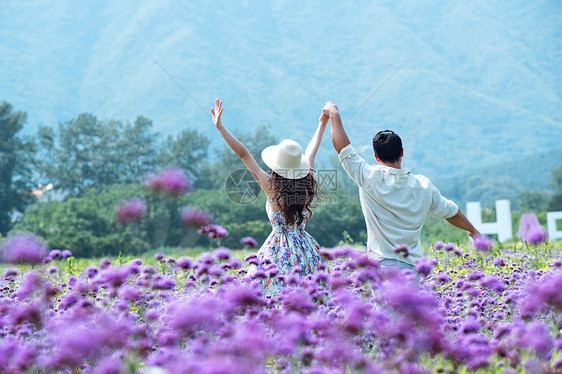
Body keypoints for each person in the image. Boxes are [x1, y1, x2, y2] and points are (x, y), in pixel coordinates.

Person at [323, 101, 479, 283]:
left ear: (376, 157)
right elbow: (451, 212)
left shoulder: (370, 178)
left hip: (380, 266)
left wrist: (334, 114)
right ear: (402, 152)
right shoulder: (423, 186)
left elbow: (343, 148)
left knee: (382, 311)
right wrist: (473, 230)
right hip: (411, 269)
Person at [212, 99, 327, 295]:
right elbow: (312, 150)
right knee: (309, 297)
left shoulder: (271, 187)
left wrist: (220, 127)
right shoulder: (307, 185)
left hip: (276, 252)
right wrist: (322, 123)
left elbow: (244, 154)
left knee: (271, 298)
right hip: (306, 250)